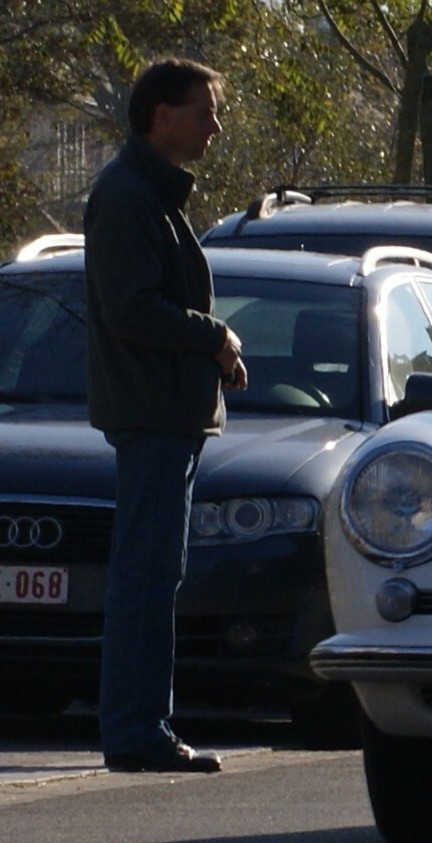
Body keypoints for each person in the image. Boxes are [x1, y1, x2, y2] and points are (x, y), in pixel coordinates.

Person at [85, 58, 247, 773]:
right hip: (151, 412)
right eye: (204, 110)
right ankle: (136, 730)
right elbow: (132, 309)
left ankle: (143, 724)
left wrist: (213, 349)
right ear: (161, 116)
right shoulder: (127, 197)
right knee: (146, 576)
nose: (215, 125)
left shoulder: (150, 196)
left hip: (166, 411)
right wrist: (213, 336)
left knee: (155, 573)